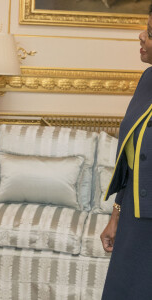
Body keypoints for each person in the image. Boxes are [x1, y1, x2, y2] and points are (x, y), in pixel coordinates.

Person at [101, 5, 152, 299]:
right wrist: (117, 215)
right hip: (134, 221)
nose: (141, 36)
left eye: (150, 32)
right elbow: (130, 163)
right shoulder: (147, 81)